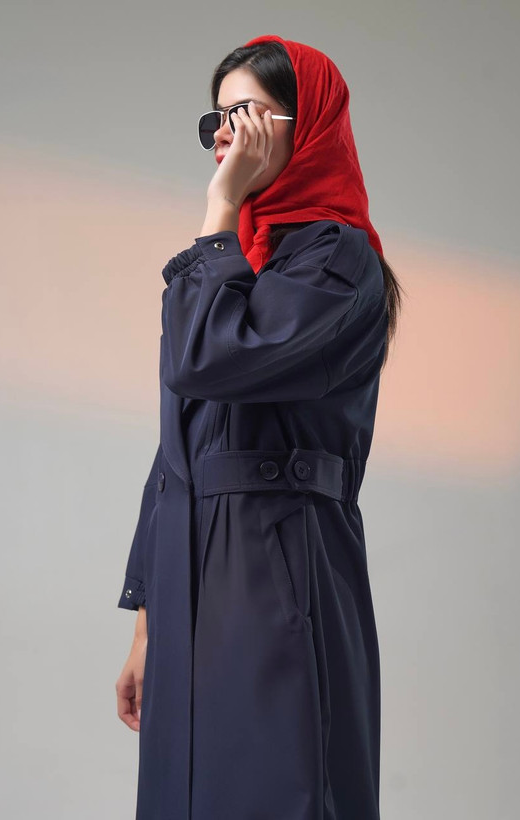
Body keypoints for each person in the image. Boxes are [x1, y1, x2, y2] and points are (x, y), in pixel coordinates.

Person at [115, 33, 403, 820]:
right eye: (217, 117)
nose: (224, 135)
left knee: (275, 787)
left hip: (278, 566)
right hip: (192, 580)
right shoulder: (238, 263)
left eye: (246, 114)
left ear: (306, 127)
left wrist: (218, 213)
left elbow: (206, 361)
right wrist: (147, 624)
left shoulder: (337, 260)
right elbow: (177, 450)